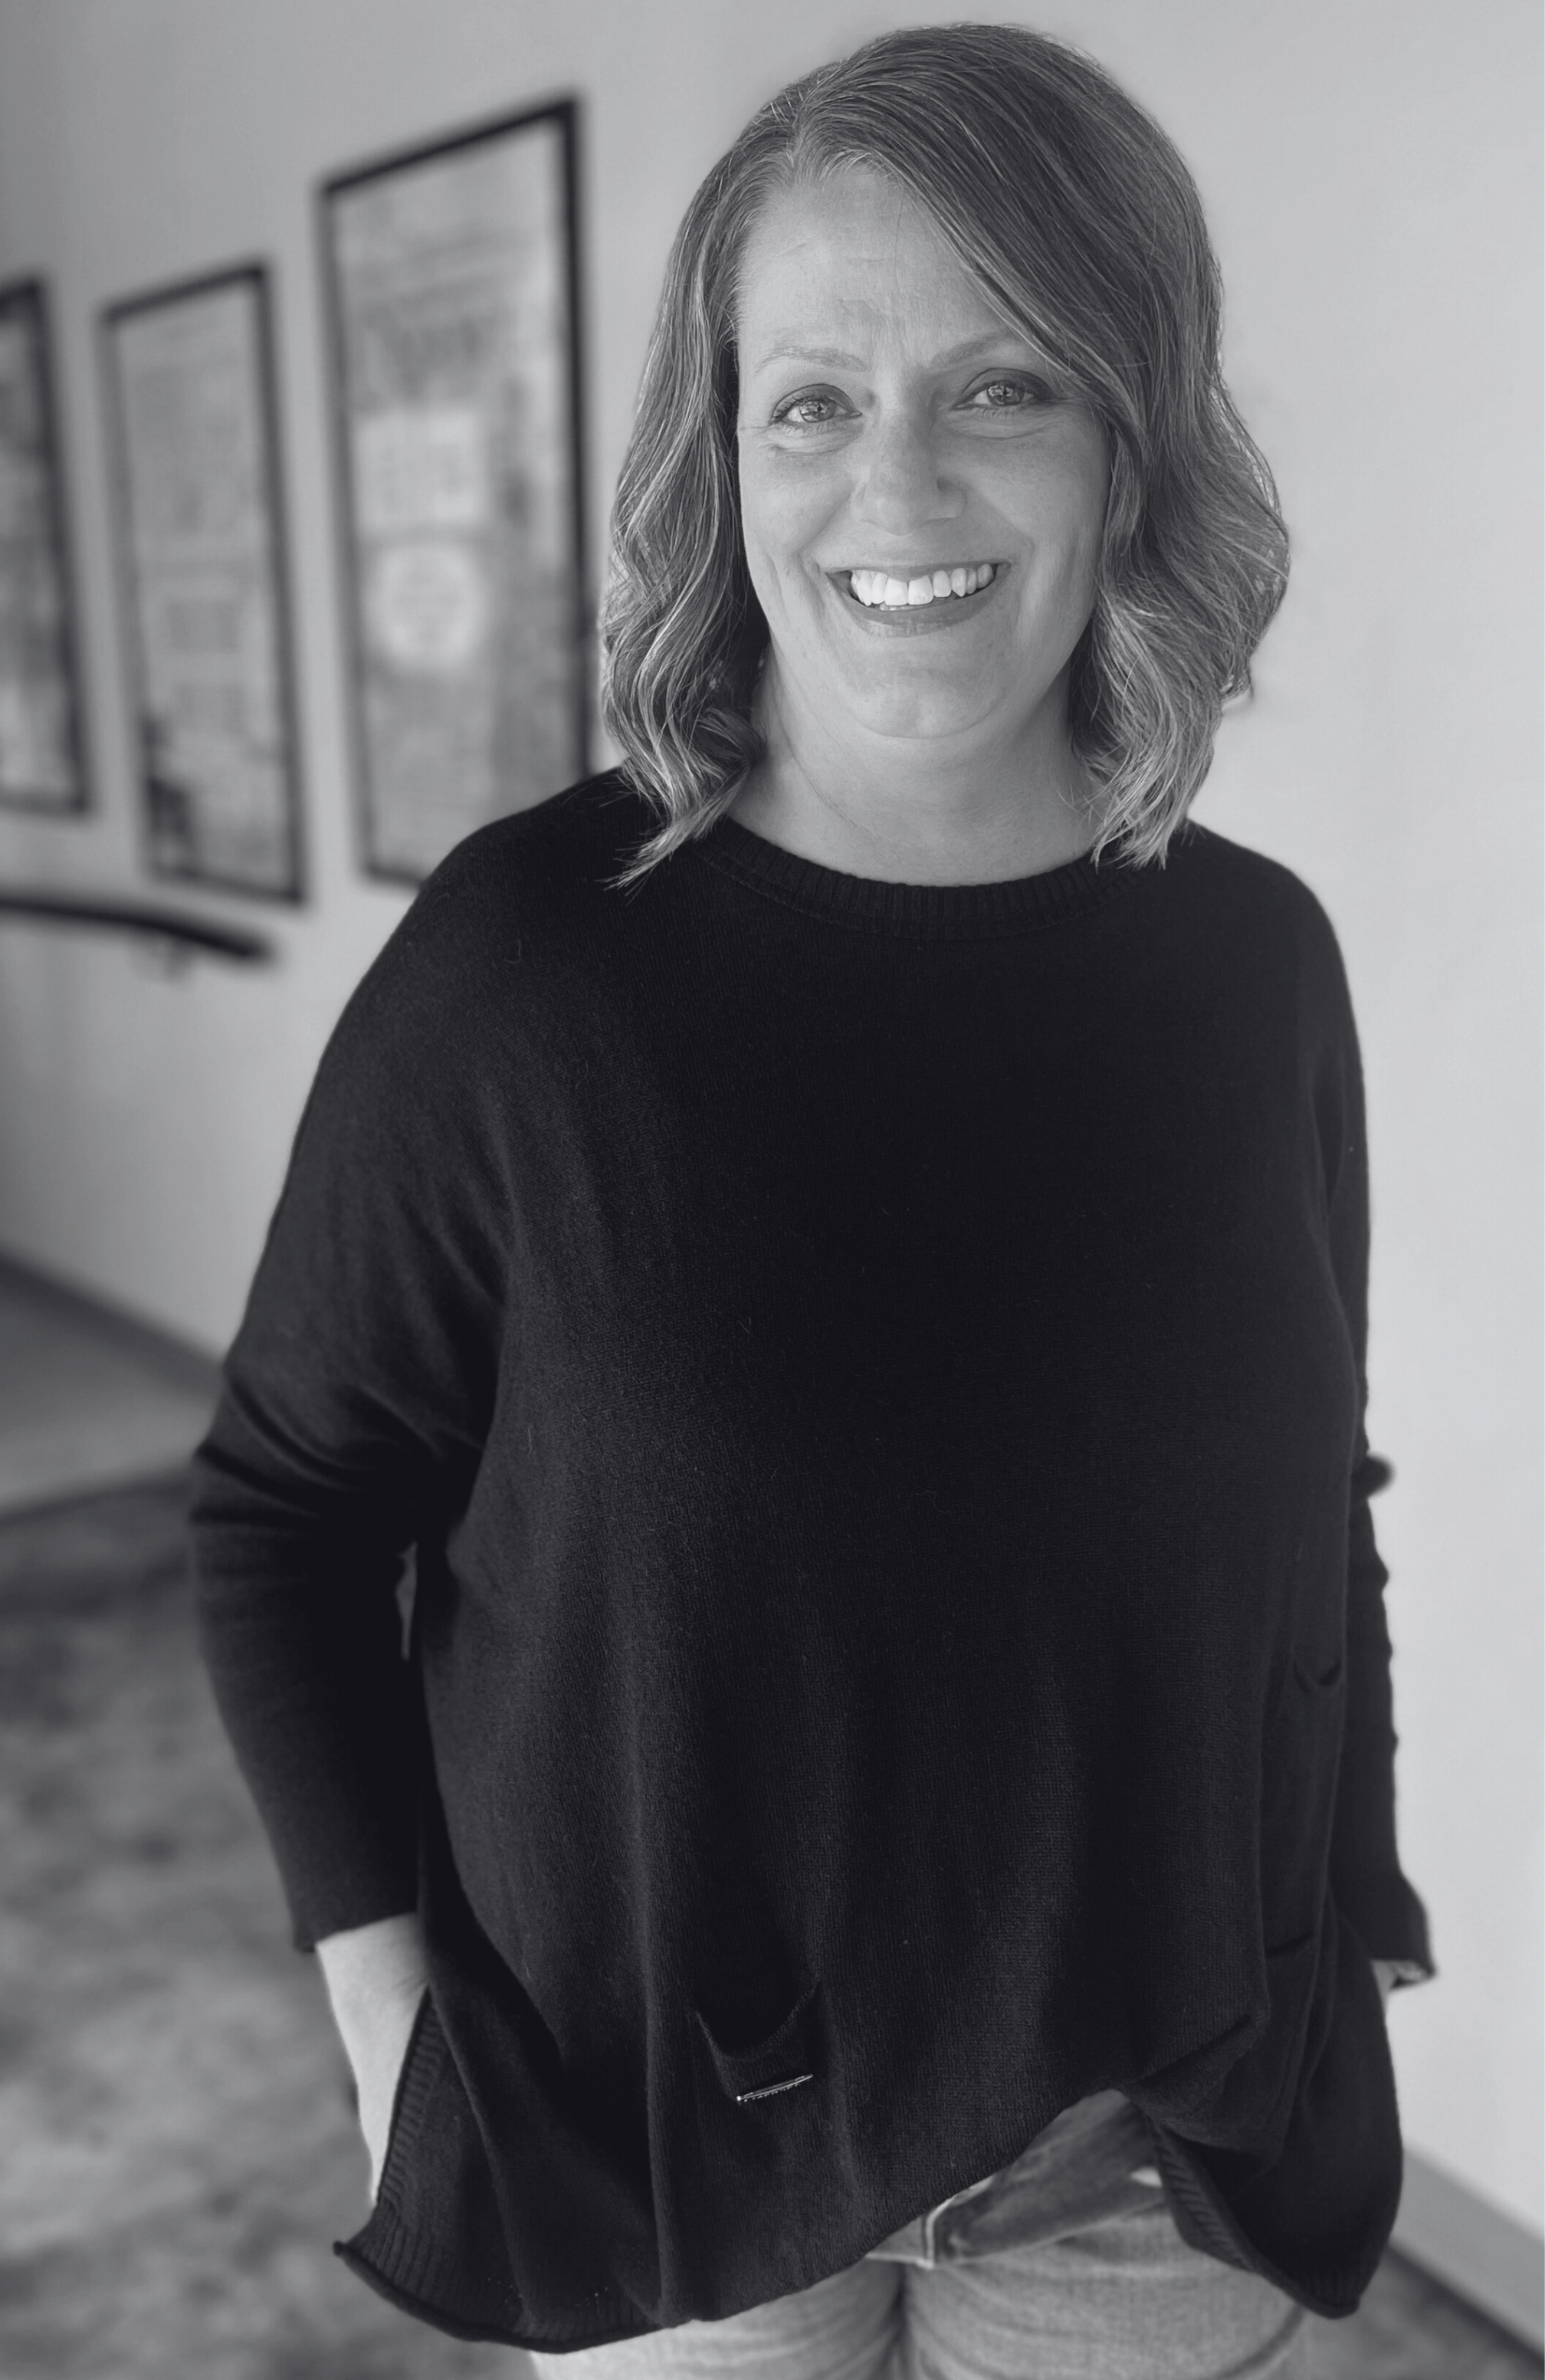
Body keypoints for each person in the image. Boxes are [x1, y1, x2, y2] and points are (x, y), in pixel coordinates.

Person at [189, 25, 1433, 2376]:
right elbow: (286, 1506)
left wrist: (1347, 1907)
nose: (898, 481)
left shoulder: (1251, 960)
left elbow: (1312, 1492)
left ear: (1129, 437)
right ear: (723, 449)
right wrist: (390, 2036)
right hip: (660, 2136)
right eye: (812, 400)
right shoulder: (531, 969)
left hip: (1151, 2148)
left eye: (1003, 387)